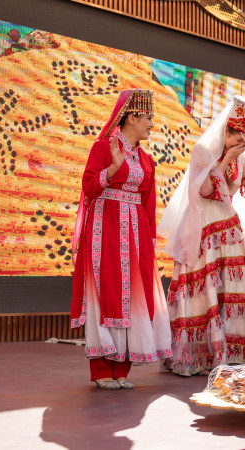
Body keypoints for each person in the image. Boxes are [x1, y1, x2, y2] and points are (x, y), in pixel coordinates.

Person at [157, 96, 245, 376]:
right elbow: (204, 189)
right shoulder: (203, 151)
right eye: (240, 137)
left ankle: (230, 351)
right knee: (204, 288)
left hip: (228, 224)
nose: (244, 144)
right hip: (203, 223)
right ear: (227, 131)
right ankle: (203, 355)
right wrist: (227, 157)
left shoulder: (240, 158)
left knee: (231, 289)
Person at [71, 89, 171, 389]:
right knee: (107, 292)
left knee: (134, 296)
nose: (152, 124)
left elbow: (148, 202)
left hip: (136, 232)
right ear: (131, 117)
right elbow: (89, 188)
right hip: (106, 227)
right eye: (148, 118)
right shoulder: (103, 147)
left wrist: (150, 242)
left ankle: (121, 368)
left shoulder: (147, 160)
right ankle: (101, 368)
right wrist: (112, 169)